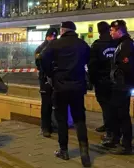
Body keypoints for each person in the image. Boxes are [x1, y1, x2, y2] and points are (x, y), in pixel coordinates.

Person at [41, 21, 91, 167]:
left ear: (62, 30)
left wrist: (51, 74)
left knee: (61, 119)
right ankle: (84, 151)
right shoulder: (82, 44)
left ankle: (64, 150)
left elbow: (43, 59)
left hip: (60, 86)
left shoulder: (55, 44)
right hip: (78, 86)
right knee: (79, 119)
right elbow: (89, 59)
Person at [87, 21, 117, 140]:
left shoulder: (97, 45)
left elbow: (92, 65)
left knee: (105, 106)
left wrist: (93, 80)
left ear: (99, 31)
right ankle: (110, 127)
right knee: (113, 105)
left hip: (102, 81)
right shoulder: (116, 43)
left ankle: (110, 132)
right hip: (115, 80)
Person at [108, 20, 133, 154]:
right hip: (119, 85)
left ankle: (126, 145)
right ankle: (116, 139)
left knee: (122, 115)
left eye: (112, 30)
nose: (110, 33)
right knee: (116, 113)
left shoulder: (126, 45)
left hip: (122, 86)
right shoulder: (121, 44)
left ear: (119, 31)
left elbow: (126, 66)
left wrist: (118, 76)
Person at [34, 28, 58, 138]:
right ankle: (45, 127)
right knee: (46, 104)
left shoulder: (57, 47)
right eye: (51, 36)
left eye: (54, 36)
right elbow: (39, 64)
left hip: (55, 79)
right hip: (45, 79)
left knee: (54, 103)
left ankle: (52, 124)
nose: (52, 38)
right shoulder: (41, 48)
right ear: (47, 36)